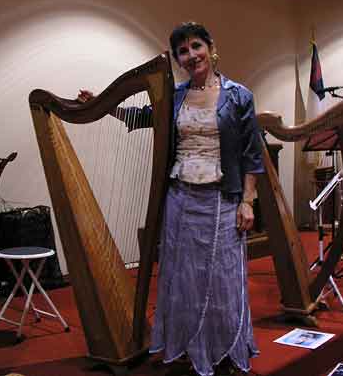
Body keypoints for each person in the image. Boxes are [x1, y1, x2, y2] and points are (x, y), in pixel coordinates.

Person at [77, 22, 263, 376]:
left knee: (222, 279)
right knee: (184, 279)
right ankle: (190, 347)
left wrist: (248, 201)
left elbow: (253, 155)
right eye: (182, 51)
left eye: (196, 46)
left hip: (223, 199)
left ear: (210, 46)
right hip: (180, 198)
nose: (191, 55)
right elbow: (145, 117)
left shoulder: (239, 95)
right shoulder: (175, 96)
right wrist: (104, 105)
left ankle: (222, 349)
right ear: (177, 59)